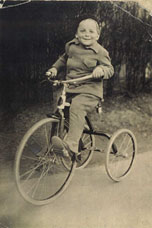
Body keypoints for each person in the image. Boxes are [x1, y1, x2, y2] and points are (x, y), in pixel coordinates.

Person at [46, 18, 114, 157]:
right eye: (82, 31)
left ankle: (71, 146)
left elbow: (110, 69)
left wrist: (101, 69)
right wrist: (54, 68)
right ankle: (51, 147)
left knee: (77, 107)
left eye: (91, 31)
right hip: (71, 87)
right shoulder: (71, 46)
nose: (86, 34)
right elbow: (63, 59)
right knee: (59, 112)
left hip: (90, 91)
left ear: (97, 35)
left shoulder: (100, 51)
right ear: (76, 34)